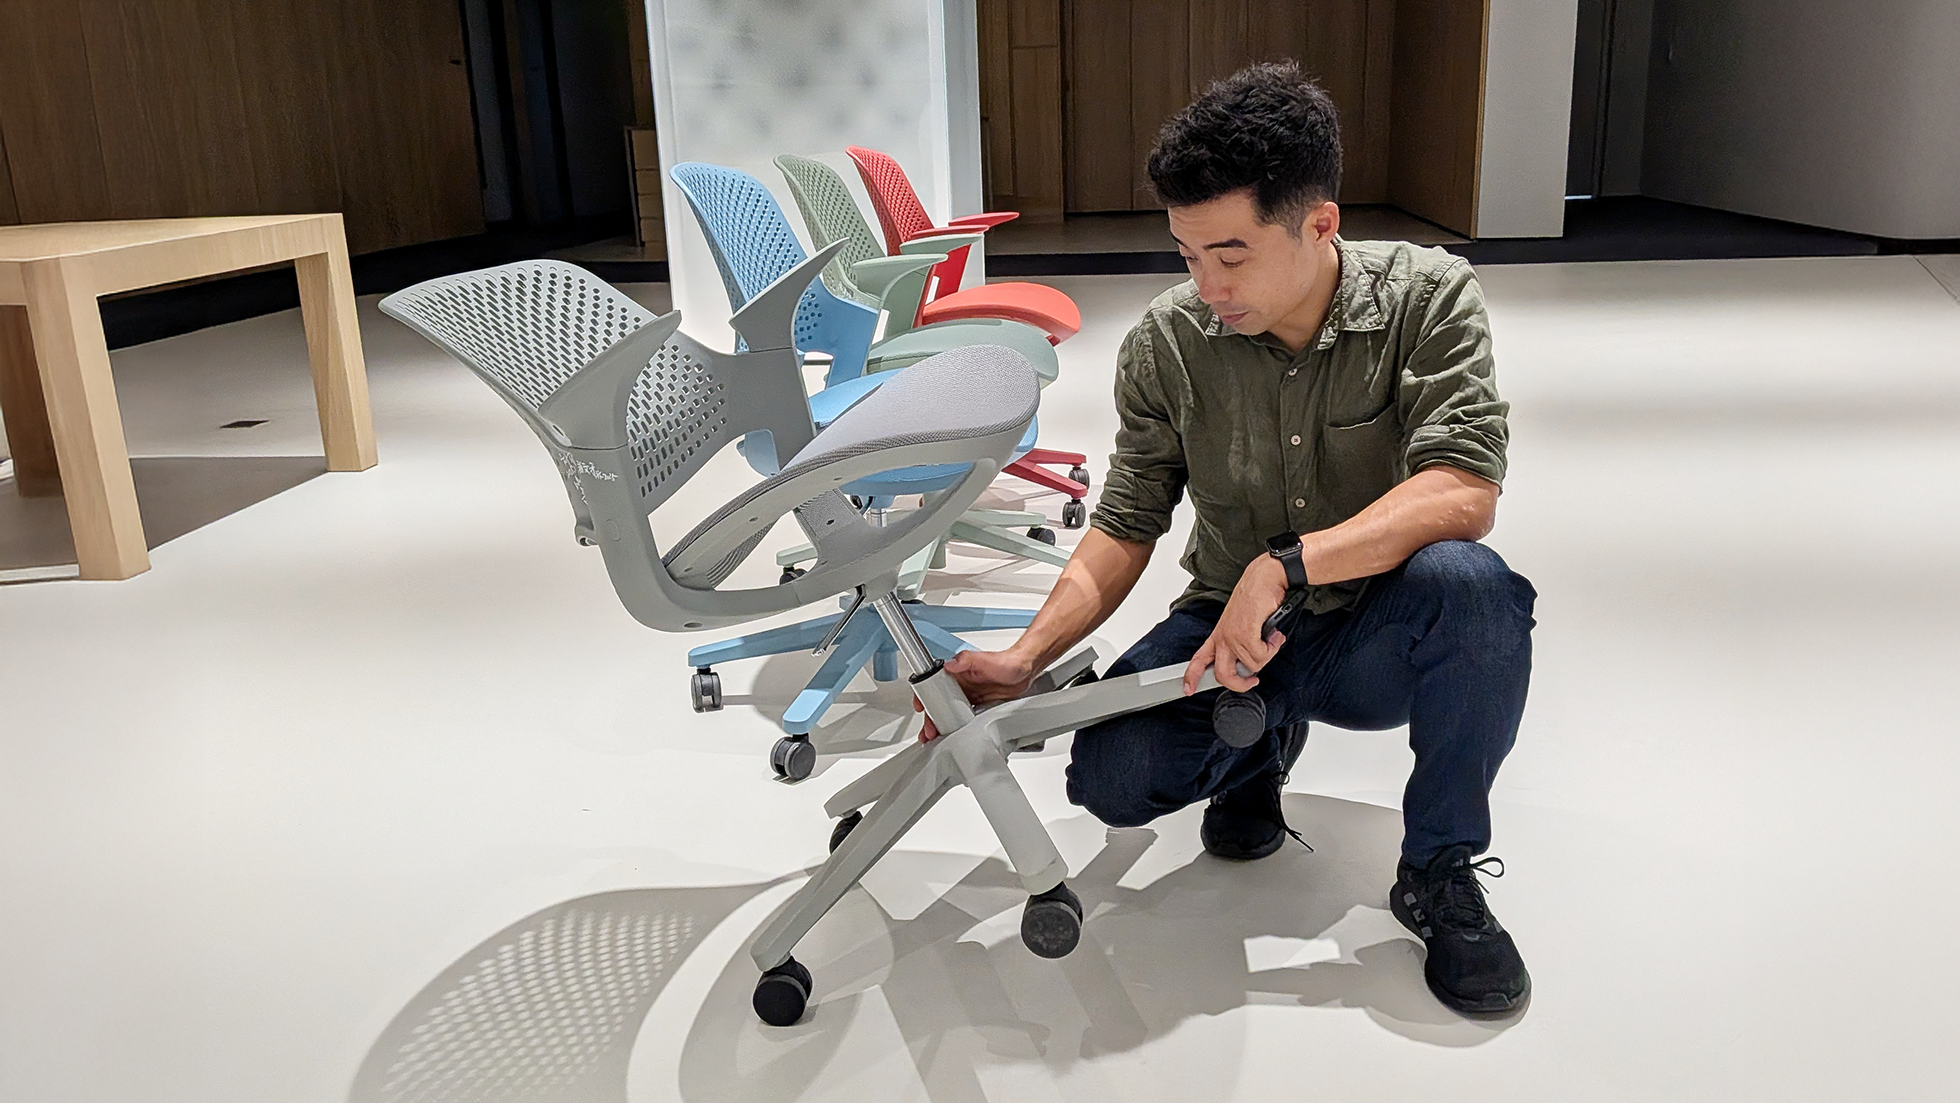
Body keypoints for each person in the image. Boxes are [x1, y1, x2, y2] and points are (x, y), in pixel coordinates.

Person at [918, 61, 1537, 1016]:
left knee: (1475, 587)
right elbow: (1127, 518)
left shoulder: (1427, 298)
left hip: (1375, 628)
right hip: (1230, 635)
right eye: (1187, 254)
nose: (1206, 284)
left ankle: (1439, 869)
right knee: (1111, 780)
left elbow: (1463, 489)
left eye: (1232, 255)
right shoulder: (1167, 344)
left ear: (1319, 225)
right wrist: (1025, 657)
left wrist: (1286, 566)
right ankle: (1258, 751)